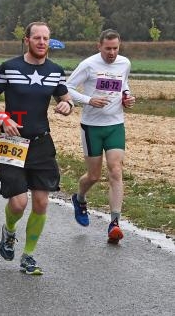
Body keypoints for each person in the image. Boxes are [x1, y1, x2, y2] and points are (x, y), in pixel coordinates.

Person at [0, 21, 74, 276]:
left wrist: (67, 106)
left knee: (42, 202)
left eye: (46, 38)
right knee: (19, 203)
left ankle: (29, 255)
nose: (42, 42)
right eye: (37, 38)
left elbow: (65, 98)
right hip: (12, 141)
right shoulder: (10, 68)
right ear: (27, 40)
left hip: (42, 142)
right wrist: (2, 118)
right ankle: (9, 231)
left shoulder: (55, 71)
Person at [65, 29, 136, 244]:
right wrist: (88, 100)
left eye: (115, 48)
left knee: (115, 170)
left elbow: (124, 85)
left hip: (115, 124)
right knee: (93, 176)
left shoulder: (125, 63)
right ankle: (80, 198)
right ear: (99, 47)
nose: (112, 53)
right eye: (108, 49)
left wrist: (127, 97)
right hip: (91, 127)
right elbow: (67, 88)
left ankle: (114, 223)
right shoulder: (89, 64)